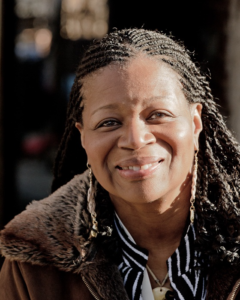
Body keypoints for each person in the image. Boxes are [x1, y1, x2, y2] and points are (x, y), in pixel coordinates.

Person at [0, 28, 240, 300]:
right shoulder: (33, 266)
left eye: (158, 114)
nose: (135, 140)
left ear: (196, 123)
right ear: (83, 138)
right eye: (109, 122)